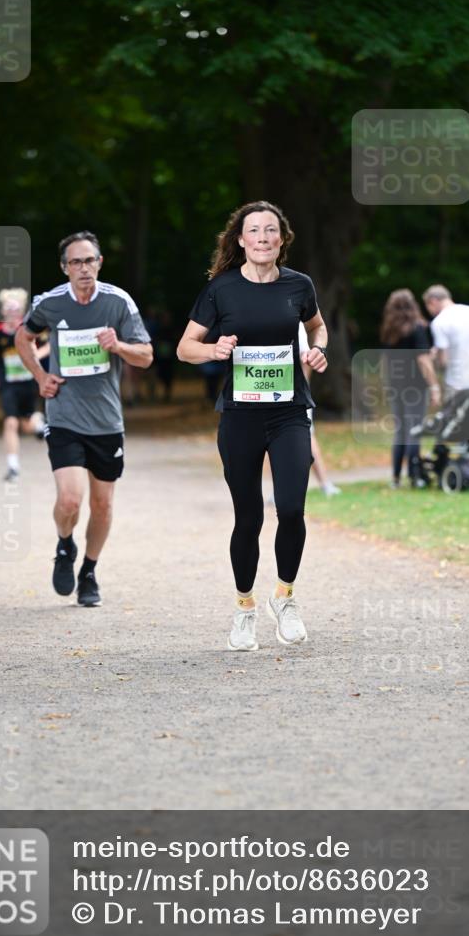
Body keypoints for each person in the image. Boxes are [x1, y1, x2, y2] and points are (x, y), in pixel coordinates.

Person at [177, 201, 329, 652]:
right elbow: (186, 347)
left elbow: (318, 328)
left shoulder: (298, 286)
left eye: (270, 231)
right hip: (240, 417)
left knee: (293, 509)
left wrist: (318, 351)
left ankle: (284, 597)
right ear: (240, 240)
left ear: (281, 239)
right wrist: (214, 350)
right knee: (249, 516)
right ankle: (244, 606)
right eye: (254, 231)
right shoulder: (221, 290)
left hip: (288, 413)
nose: (263, 238)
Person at [15, 231, 153, 607]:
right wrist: (41, 377)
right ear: (65, 268)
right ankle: (64, 545)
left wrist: (118, 346)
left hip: (107, 420)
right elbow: (22, 337)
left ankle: (89, 571)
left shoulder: (117, 302)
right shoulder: (51, 304)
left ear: (99, 263)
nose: (83, 268)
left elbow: (146, 356)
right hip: (64, 416)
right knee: (70, 500)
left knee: (103, 505)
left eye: (89, 260)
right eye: (75, 262)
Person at [0, 288, 48, 481]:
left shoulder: (30, 330)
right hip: (8, 384)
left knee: (26, 426)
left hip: (29, 383)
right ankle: (13, 467)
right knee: (10, 422)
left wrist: (35, 356)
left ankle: (38, 423)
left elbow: (50, 345)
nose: (12, 315)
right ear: (3, 312)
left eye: (16, 311)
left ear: (22, 313)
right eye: (8, 311)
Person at [380, 288, 441, 488]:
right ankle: (415, 477)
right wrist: (434, 386)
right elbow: (422, 360)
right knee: (414, 430)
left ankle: (396, 478)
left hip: (396, 386)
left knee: (401, 431)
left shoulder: (389, 331)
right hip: (416, 387)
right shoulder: (418, 328)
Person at [422, 284, 469, 395]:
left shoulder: (439, 322)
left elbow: (443, 361)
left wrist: (433, 357)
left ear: (433, 301)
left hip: (458, 385)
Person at [298, 322, 341, 497]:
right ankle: (276, 489)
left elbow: (305, 359)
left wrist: (303, 388)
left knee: (308, 438)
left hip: (295, 393)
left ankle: (324, 483)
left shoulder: (297, 322)